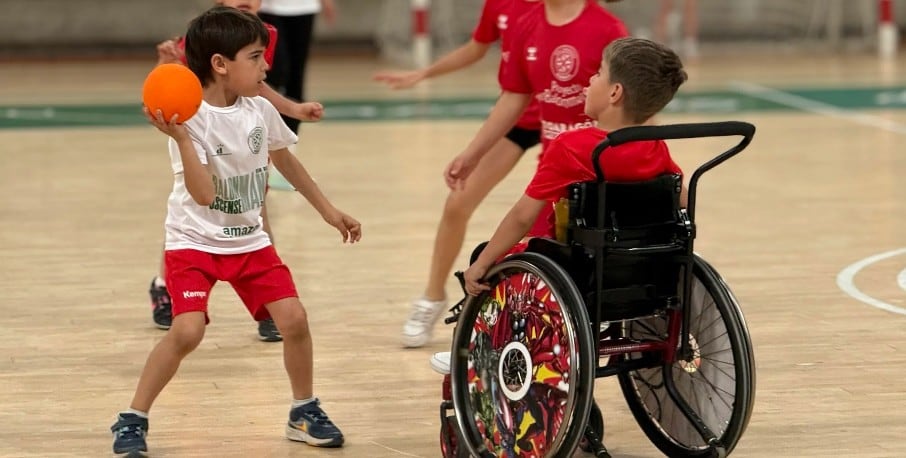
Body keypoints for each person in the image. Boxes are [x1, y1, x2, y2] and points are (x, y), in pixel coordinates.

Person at [110, 7, 361, 455]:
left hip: (250, 242)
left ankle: (303, 409)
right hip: (194, 242)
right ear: (220, 64)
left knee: (295, 320)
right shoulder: (190, 120)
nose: (266, 66)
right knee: (187, 332)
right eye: (256, 57)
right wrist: (183, 140)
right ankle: (132, 418)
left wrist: (328, 210)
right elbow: (204, 196)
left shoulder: (260, 109)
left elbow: (287, 162)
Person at [372, 0, 545, 349]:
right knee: (457, 203)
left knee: (543, 218)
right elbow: (477, 47)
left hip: (566, 122)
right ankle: (432, 296)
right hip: (517, 120)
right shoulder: (500, 5)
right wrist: (423, 73)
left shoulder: (564, 10)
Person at [151, 0, 326, 342]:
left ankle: (267, 304)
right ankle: (163, 286)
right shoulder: (203, 34)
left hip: (241, 146)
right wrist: (164, 64)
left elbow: (257, 87)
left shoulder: (262, 35)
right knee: (190, 211)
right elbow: (167, 87)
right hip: (203, 141)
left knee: (255, 209)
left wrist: (293, 108)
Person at [258, 0, 337, 134]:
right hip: (269, 8)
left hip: (304, 8)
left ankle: (291, 135)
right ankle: (267, 128)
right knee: (276, 70)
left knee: (296, 75)